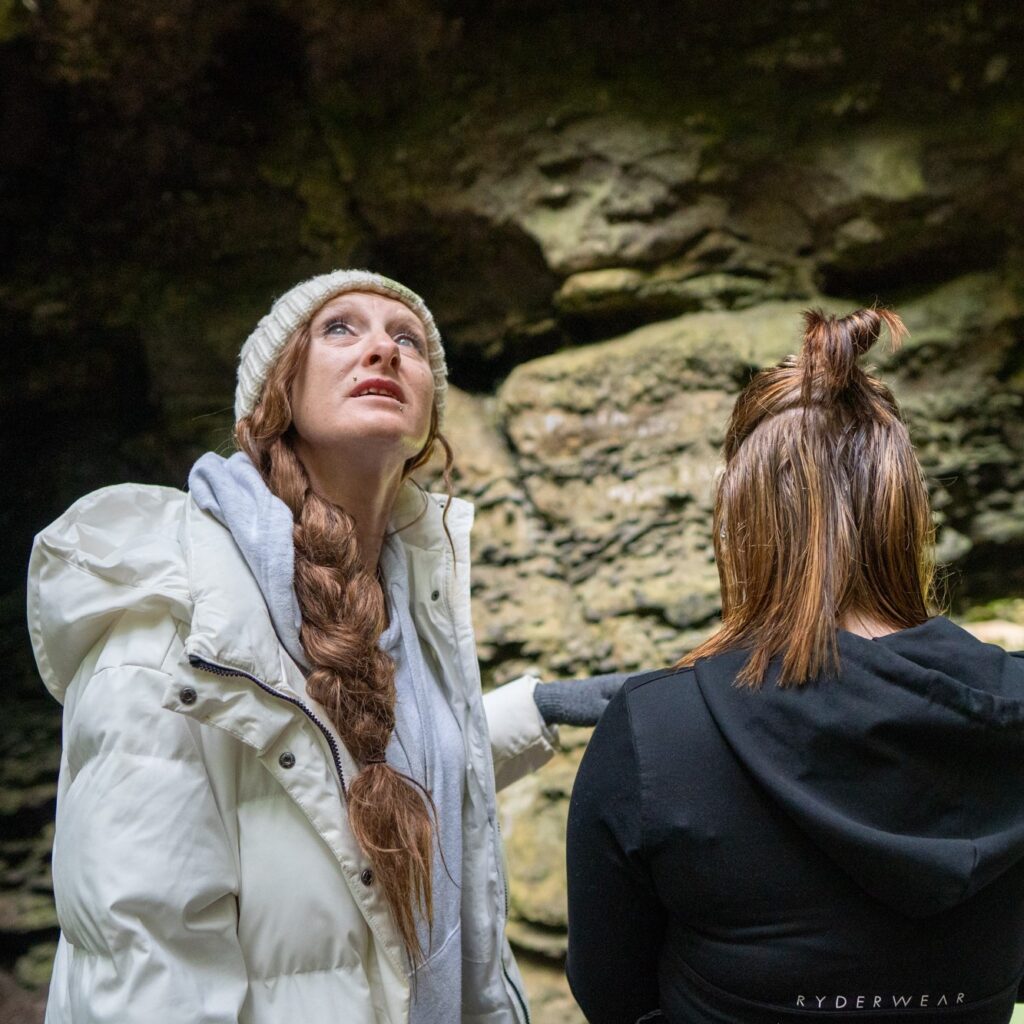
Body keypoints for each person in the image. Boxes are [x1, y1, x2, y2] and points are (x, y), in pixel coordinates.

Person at [28, 269, 625, 1024]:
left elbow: (351, 769)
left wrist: (530, 710)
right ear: (277, 393)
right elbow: (145, 944)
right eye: (341, 329)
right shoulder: (179, 610)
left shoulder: (410, 595)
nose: (382, 348)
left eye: (406, 339)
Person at [565, 307, 1024, 1024]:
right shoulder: (1012, 714)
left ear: (742, 518)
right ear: (907, 509)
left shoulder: (657, 729)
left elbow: (610, 993)